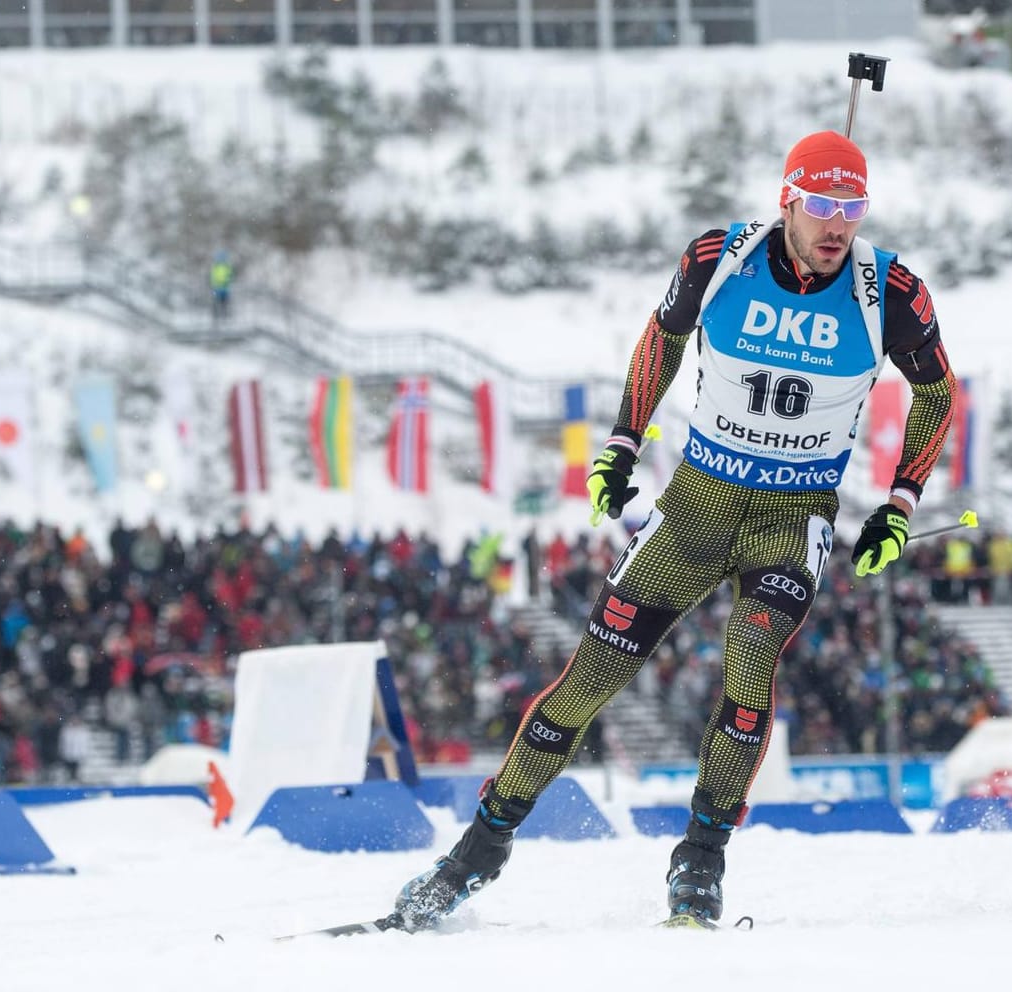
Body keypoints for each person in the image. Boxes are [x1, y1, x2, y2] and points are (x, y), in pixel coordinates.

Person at [391, 130, 957, 930]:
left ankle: (701, 860)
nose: (838, 225)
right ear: (787, 200)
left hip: (792, 518)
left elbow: (937, 394)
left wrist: (899, 504)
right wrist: (622, 442)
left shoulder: (889, 291)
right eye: (823, 205)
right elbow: (660, 341)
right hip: (696, 503)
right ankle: (477, 850)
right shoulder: (717, 258)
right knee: (588, 681)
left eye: (853, 208)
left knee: (750, 658)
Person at [209, 251, 234, 321]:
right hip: (217, 288)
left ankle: (224, 316)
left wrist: (227, 282)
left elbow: (230, 276)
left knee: (224, 303)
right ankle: (216, 317)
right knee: (216, 302)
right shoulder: (216, 266)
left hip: (224, 288)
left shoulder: (226, 266)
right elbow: (212, 276)